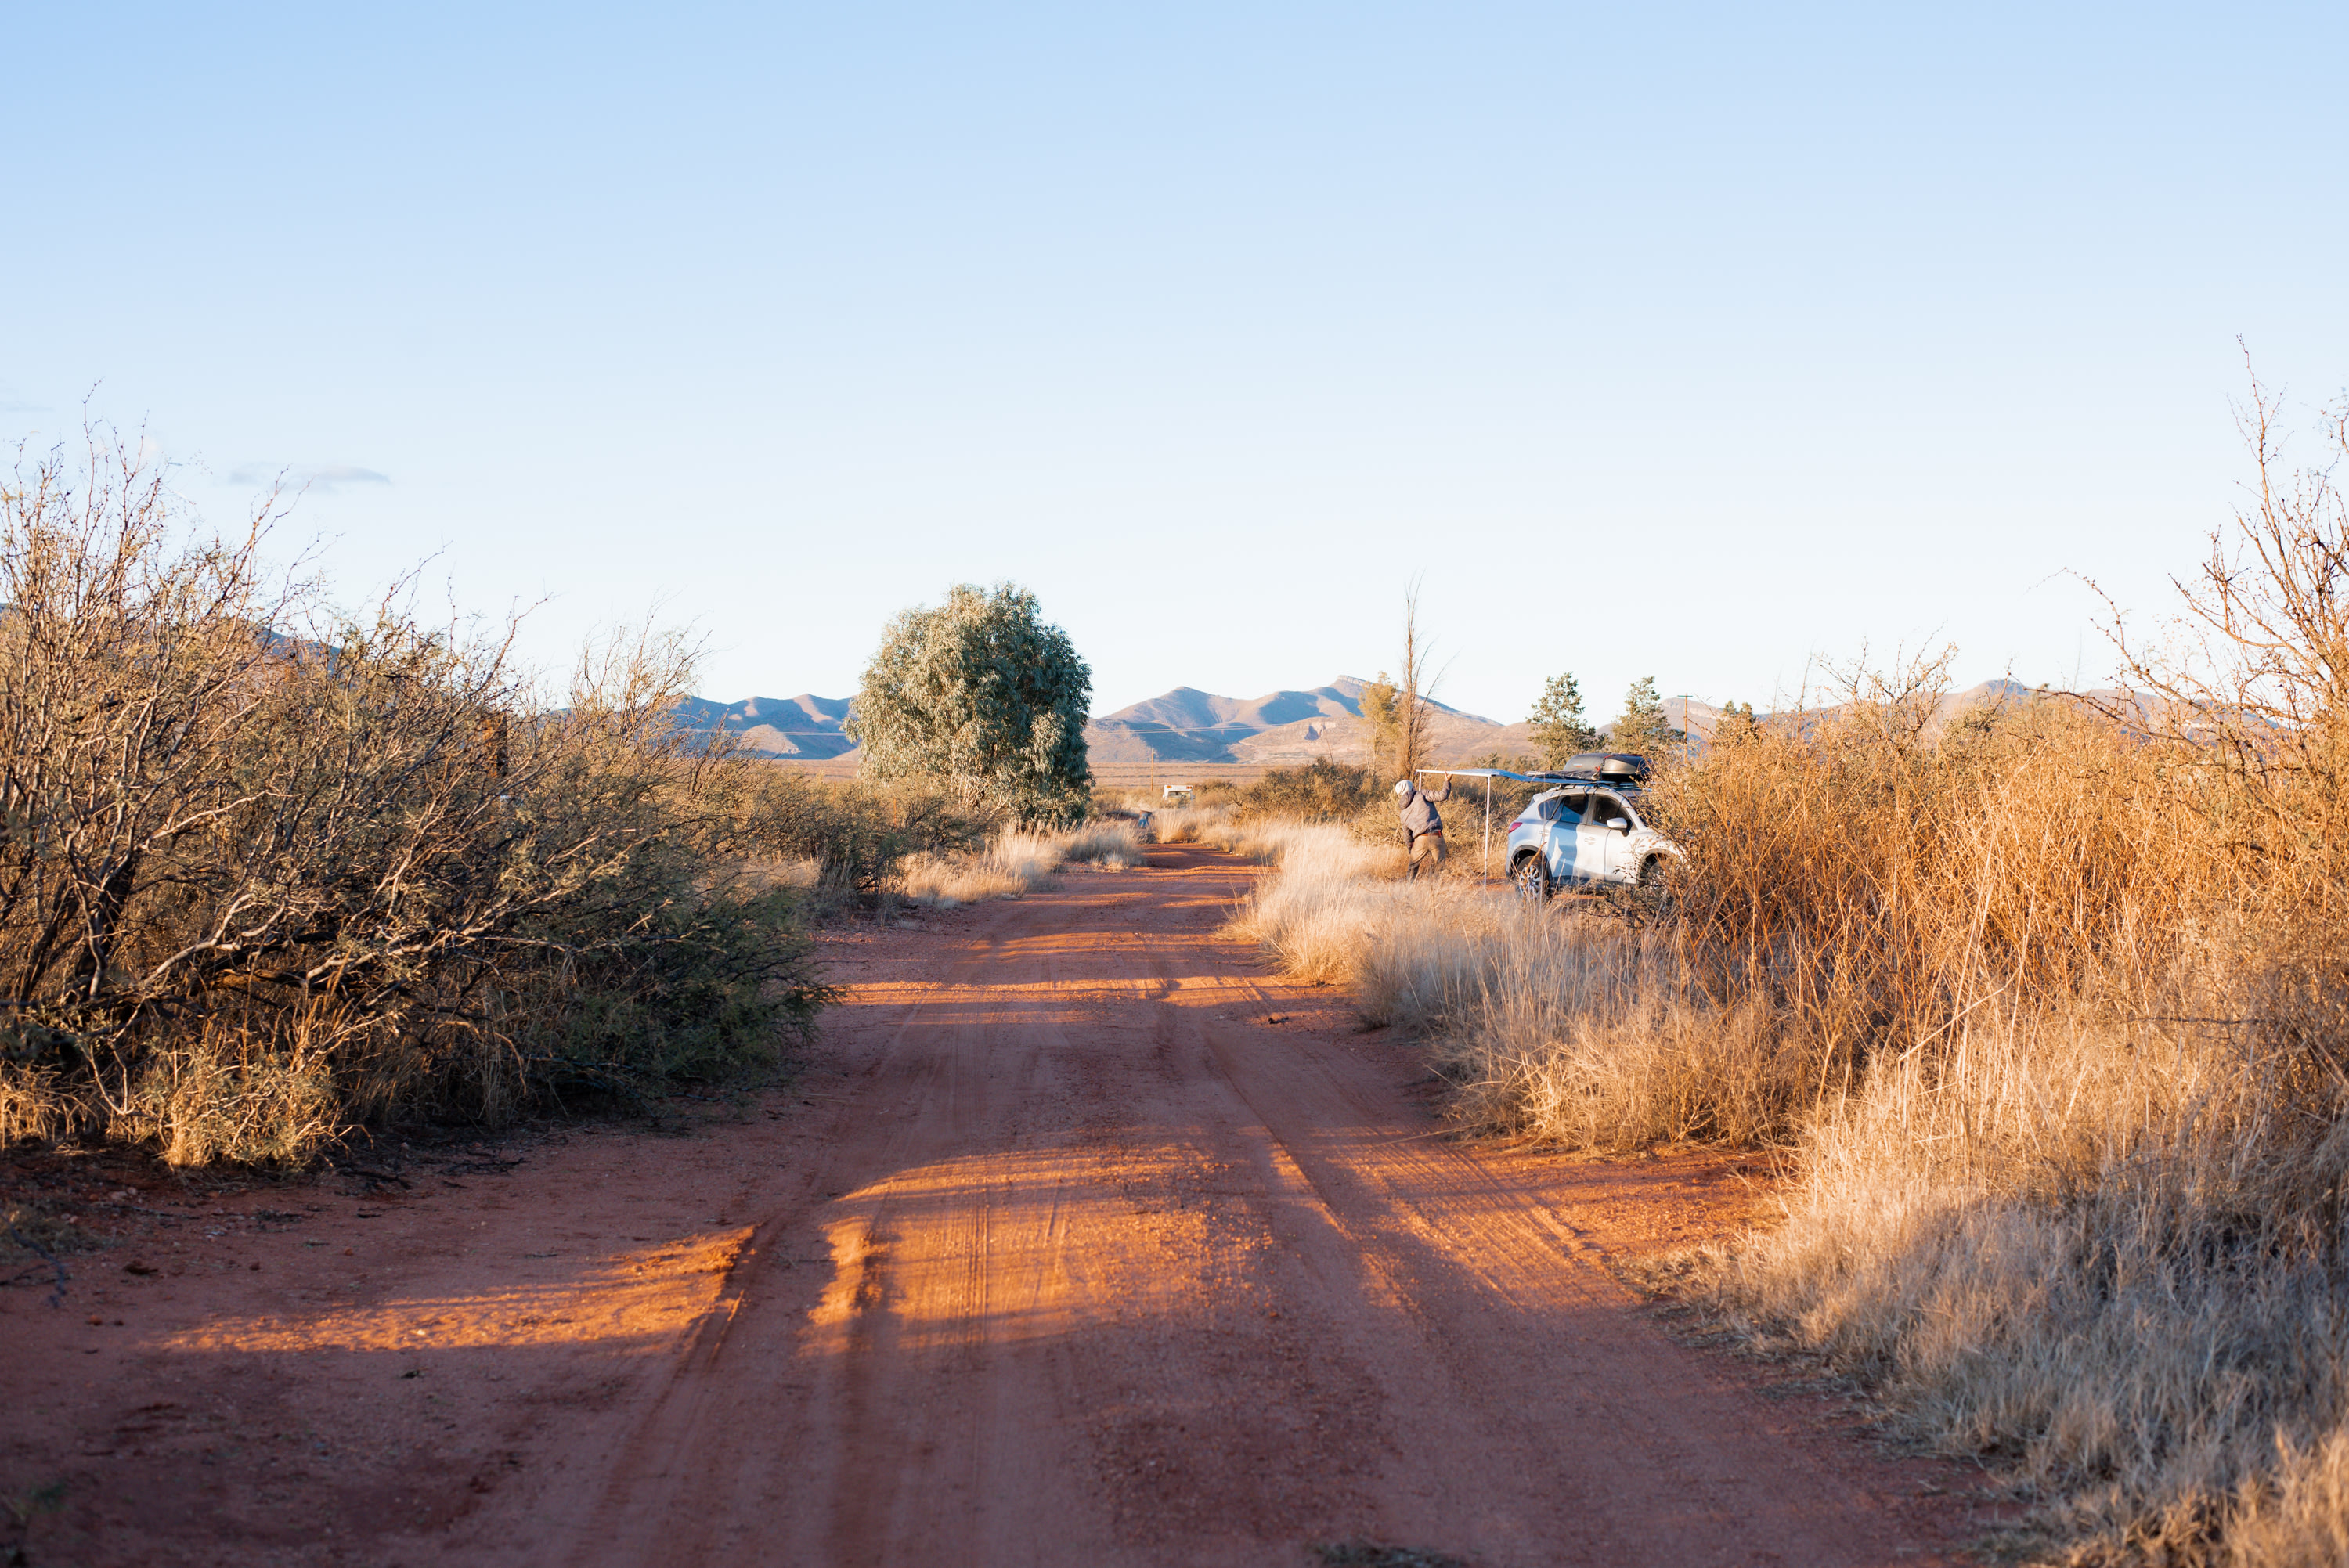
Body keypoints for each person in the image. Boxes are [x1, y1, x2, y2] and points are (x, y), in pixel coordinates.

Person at [1394, 775, 1450, 880]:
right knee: (1440, 868)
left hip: (1420, 839)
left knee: (1412, 869)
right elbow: (1443, 796)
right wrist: (1447, 781)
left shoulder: (1403, 814)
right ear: (1411, 788)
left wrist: (1412, 852)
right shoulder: (1422, 794)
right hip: (1436, 835)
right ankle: (1436, 891)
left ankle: (1409, 892)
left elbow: (1408, 837)